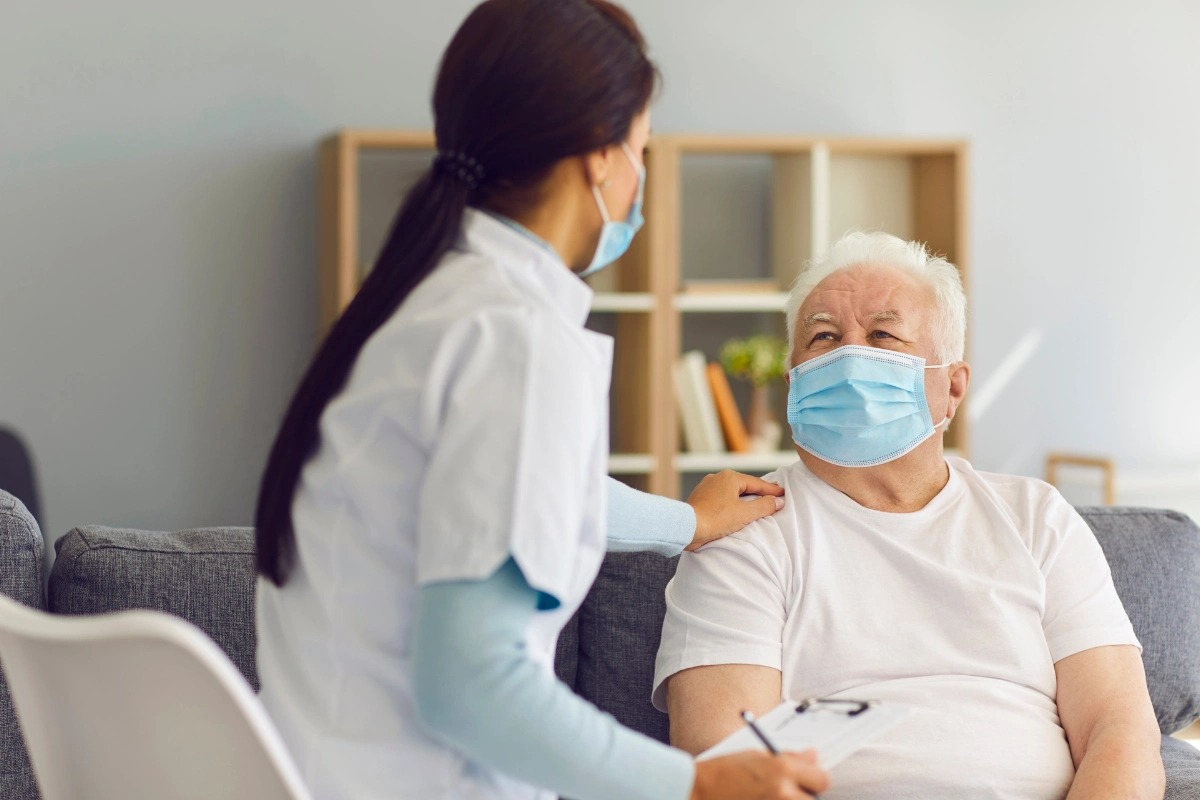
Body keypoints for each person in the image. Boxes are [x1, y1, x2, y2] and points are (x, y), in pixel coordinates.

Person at [252, 1, 830, 799]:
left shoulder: (421, 308)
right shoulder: (518, 341)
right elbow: (473, 687)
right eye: (641, 150)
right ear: (600, 159)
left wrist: (684, 524)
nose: (641, 179)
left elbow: (510, 492)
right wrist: (696, 785)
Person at [653, 231, 1165, 799]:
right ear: (792, 382)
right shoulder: (742, 530)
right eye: (823, 337)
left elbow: (1120, 732)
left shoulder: (1037, 517)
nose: (849, 358)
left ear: (952, 387)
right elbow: (726, 766)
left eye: (883, 335)